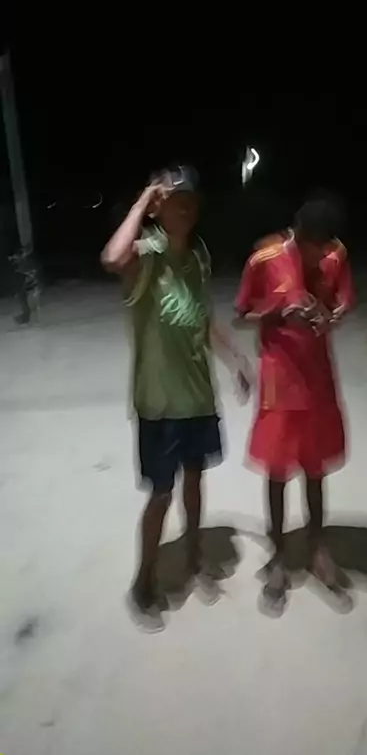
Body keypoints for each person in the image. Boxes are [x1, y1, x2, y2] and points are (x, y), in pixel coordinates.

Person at [102, 165, 248, 627]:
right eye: (174, 200)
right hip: (159, 404)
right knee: (161, 493)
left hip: (198, 398)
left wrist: (234, 358)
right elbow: (112, 258)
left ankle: (194, 552)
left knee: (195, 479)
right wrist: (145, 197)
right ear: (159, 208)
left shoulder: (198, 255)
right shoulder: (147, 254)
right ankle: (143, 577)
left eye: (191, 201)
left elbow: (202, 318)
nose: (184, 208)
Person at [235, 191, 354, 608]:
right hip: (279, 379)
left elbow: (343, 302)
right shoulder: (265, 258)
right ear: (297, 233)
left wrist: (331, 317)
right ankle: (279, 556)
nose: (319, 254)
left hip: (318, 377)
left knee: (316, 468)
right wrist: (276, 313)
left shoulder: (336, 254)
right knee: (278, 467)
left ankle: (318, 551)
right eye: (311, 245)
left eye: (324, 246)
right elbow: (241, 314)